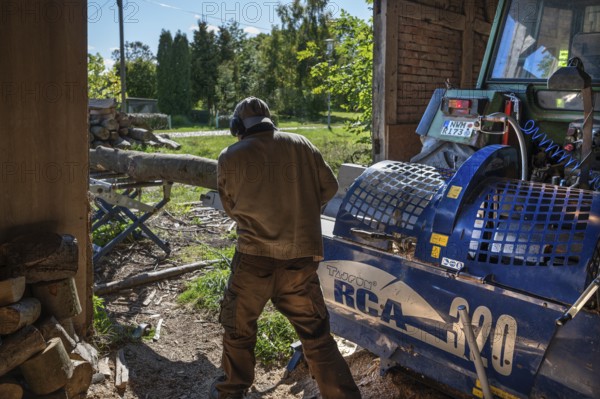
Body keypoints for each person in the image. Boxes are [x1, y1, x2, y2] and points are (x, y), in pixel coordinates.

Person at [210, 97, 361, 399]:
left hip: (253, 262)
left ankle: (231, 392)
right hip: (300, 263)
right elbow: (329, 188)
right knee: (317, 338)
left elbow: (230, 207)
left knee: (239, 331)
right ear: (270, 120)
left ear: (237, 127)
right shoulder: (303, 145)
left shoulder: (230, 156)